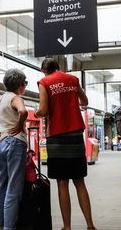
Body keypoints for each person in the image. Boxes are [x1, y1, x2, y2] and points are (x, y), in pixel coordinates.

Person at [35, 58, 96, 230]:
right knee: (79, 182)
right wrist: (71, 104)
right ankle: (90, 225)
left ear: (44, 71)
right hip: (75, 135)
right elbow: (85, 102)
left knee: (62, 183)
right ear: (58, 67)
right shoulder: (72, 79)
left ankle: (67, 227)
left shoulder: (44, 82)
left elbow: (44, 110)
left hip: (57, 136)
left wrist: (38, 113)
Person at [0, 69, 28, 230]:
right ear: (20, 85)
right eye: (25, 83)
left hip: (1, 144)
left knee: (3, 186)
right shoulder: (16, 98)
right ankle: (9, 227)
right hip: (15, 144)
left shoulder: (1, 99)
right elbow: (23, 111)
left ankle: (0, 225)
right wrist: (19, 125)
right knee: (14, 189)